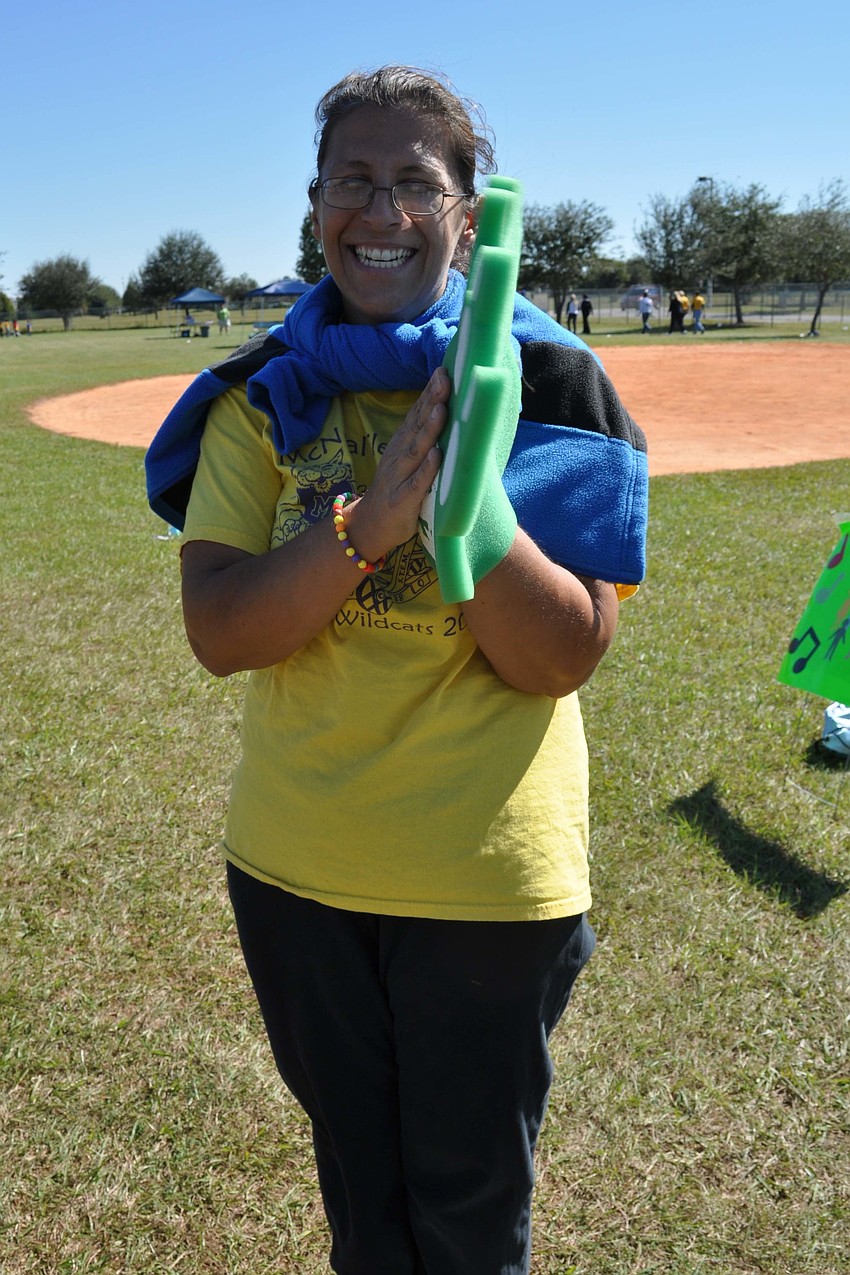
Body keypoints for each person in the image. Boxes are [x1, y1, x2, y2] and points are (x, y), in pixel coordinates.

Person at [145, 64, 647, 1275]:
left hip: (486, 886)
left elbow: (557, 657)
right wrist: (367, 526)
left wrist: (472, 506)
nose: (381, 212)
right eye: (351, 181)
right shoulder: (260, 393)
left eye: (414, 182)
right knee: (364, 1208)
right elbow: (222, 631)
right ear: (315, 204)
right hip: (297, 873)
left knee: (469, 1216)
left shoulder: (553, 382)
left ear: (467, 215)